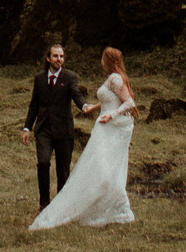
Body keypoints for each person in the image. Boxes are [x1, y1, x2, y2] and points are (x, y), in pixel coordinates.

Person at [29, 46, 138, 230]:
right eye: (56, 55)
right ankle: (60, 202)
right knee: (98, 166)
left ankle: (112, 205)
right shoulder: (112, 78)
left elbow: (129, 103)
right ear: (48, 58)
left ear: (109, 60)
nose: (101, 61)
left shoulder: (114, 79)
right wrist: (91, 108)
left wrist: (111, 115)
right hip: (102, 127)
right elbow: (107, 101)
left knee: (101, 167)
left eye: (103, 58)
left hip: (108, 127)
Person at [20, 42, 91, 208]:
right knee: (43, 163)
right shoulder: (39, 79)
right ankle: (44, 205)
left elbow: (76, 94)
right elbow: (34, 105)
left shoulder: (69, 77)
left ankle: (60, 207)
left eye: (61, 56)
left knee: (63, 171)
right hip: (43, 129)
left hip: (64, 131)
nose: (59, 59)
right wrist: (26, 128)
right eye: (55, 56)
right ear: (48, 58)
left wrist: (84, 106)